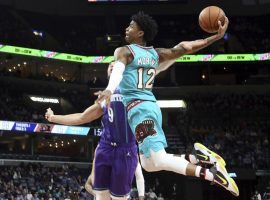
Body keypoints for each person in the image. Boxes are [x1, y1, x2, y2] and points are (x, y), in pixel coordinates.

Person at [96, 11, 239, 196]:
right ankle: (196, 157)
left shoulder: (123, 51)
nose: (127, 28)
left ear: (140, 33)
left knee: (159, 160)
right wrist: (215, 37)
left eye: (131, 26)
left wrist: (109, 89)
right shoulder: (156, 54)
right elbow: (184, 47)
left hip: (140, 110)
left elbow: (118, 70)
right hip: (148, 108)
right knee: (148, 164)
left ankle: (212, 174)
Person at [45, 63, 144, 200]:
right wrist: (53, 118)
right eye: (110, 65)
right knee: (100, 195)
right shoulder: (104, 97)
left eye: (116, 65)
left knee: (118, 198)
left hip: (125, 150)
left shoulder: (134, 91)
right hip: (105, 147)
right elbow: (82, 117)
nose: (112, 65)